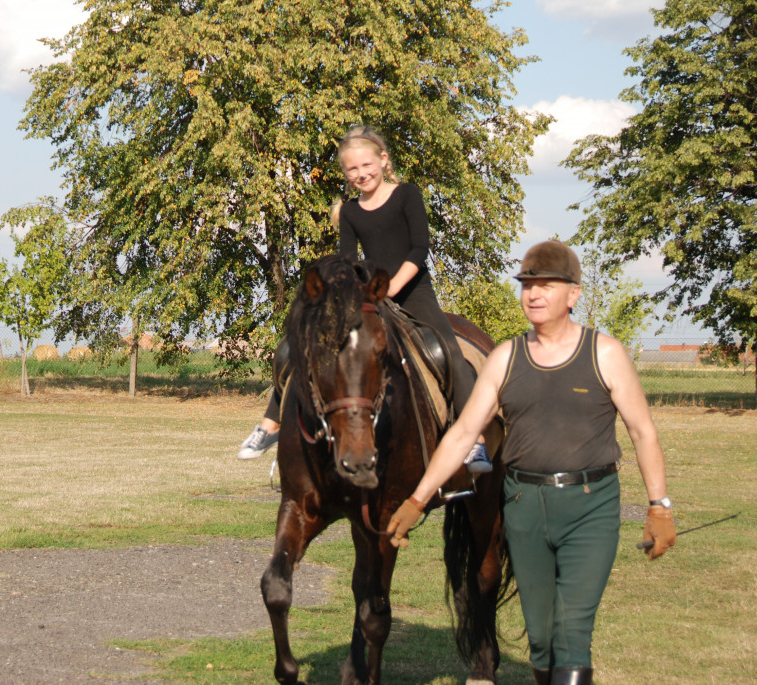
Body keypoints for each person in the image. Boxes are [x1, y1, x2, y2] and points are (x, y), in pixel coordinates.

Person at [385, 240, 677, 685]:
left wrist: (659, 505)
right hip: (523, 506)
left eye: (545, 285)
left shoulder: (605, 354)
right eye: (527, 285)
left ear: (573, 294)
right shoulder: (505, 358)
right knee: (540, 638)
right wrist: (417, 499)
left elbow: (643, 431)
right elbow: (464, 433)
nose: (534, 294)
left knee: (571, 631)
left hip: (590, 506)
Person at [238, 125, 491, 474]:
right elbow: (347, 262)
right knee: (305, 343)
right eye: (352, 170)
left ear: (383, 161)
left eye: (367, 165)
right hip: (369, 296)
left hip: (413, 291)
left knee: (448, 351)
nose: (361, 174)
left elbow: (419, 250)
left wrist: (390, 288)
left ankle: (474, 440)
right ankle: (271, 423)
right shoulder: (351, 212)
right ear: (346, 174)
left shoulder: (407, 195)